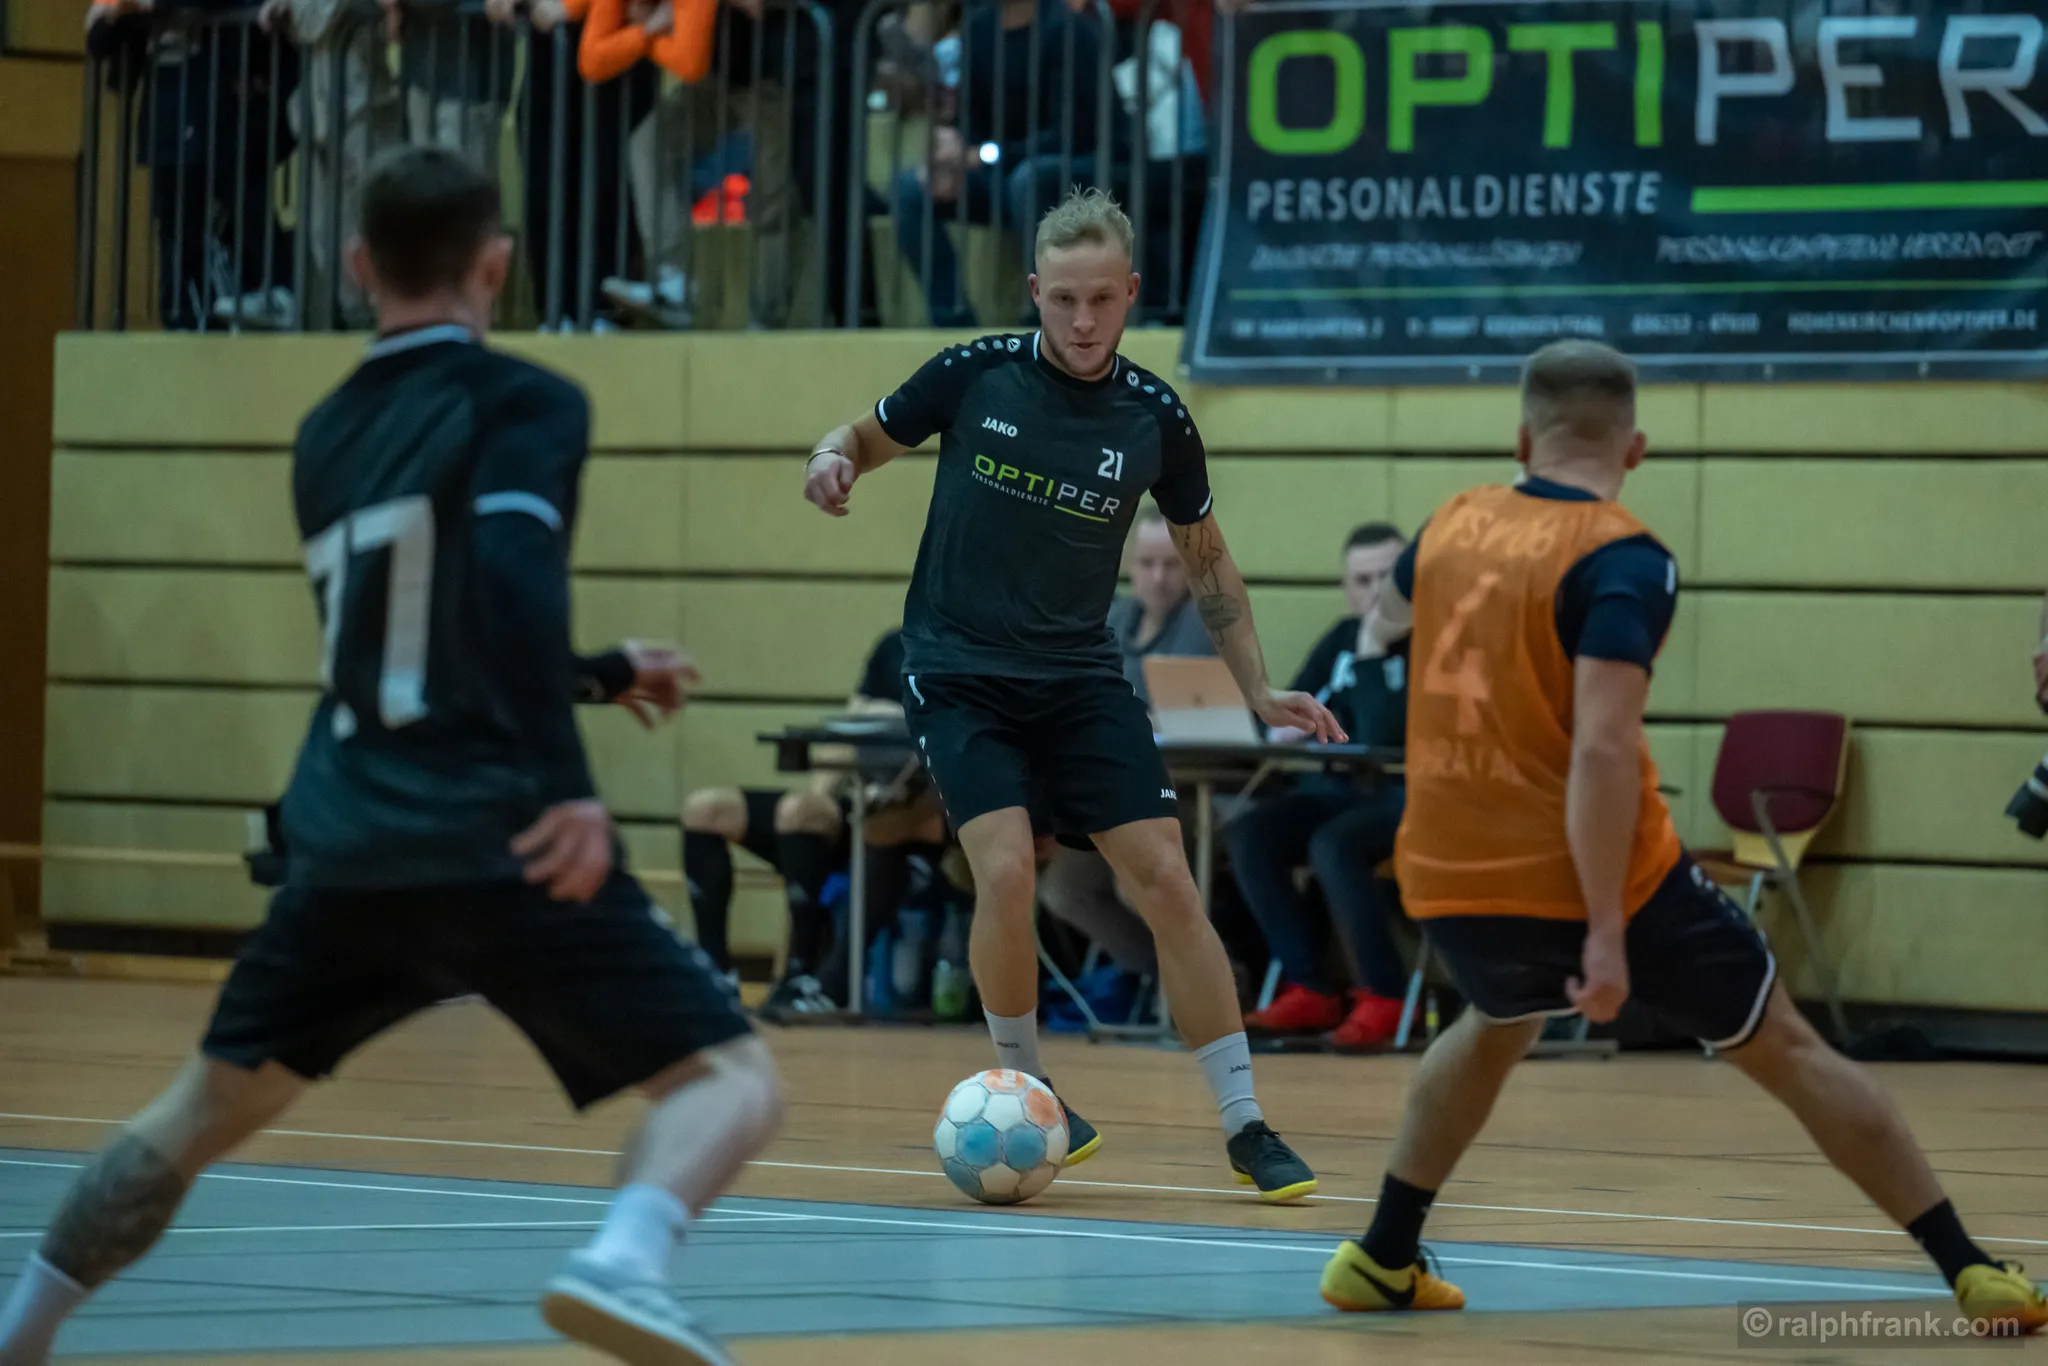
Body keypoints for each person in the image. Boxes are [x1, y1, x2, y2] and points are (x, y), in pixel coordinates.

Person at [0, 147, 781, 1366]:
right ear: (496, 265)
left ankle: (23, 1332)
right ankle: (622, 1263)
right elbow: (507, 577)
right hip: (494, 834)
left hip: (346, 845)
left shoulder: (323, 433)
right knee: (731, 1078)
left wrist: (594, 672)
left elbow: (412, 637)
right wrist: (572, 789)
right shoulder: (525, 400)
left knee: (198, 1110)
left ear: (358, 263)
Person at [1316, 340, 2047, 1335]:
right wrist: (1605, 931)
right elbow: (1602, 749)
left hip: (1444, 868)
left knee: (1497, 1017)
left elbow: (1387, 620)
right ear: (1637, 449)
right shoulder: (1623, 556)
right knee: (1789, 1048)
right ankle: (1969, 1268)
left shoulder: (1449, 520)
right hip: (1593, 878)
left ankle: (1381, 1253)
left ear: (1522, 439)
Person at [801, 187, 1342, 1202]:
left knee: (1167, 879)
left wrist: (1259, 687)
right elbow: (864, 437)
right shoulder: (973, 373)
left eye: (1101, 298)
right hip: (957, 671)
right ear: (1034, 292)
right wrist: (831, 457)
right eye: (1062, 299)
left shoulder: (1155, 417)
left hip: (1080, 678)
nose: (1083, 321)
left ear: (1130, 291)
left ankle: (1246, 1125)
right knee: (1007, 869)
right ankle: (1029, 1086)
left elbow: (1207, 559)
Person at [680, 627, 941, 1019]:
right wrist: (821, 793)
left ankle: (799, 973)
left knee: (799, 814)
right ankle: (715, 973)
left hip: (911, 810)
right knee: (706, 810)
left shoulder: (968, 648)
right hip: (850, 798)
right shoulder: (897, 644)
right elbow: (849, 726)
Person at [1233, 522, 1411, 1049]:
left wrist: (1374, 647)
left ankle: (1386, 993)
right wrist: (1279, 723)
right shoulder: (1340, 637)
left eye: (1388, 577)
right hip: (1344, 790)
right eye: (1363, 580)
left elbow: (1382, 737)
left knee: (1335, 843)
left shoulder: (1432, 640)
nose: (1376, 592)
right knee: (1252, 833)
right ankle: (1309, 984)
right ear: (1346, 587)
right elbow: (1288, 712)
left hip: (1411, 794)